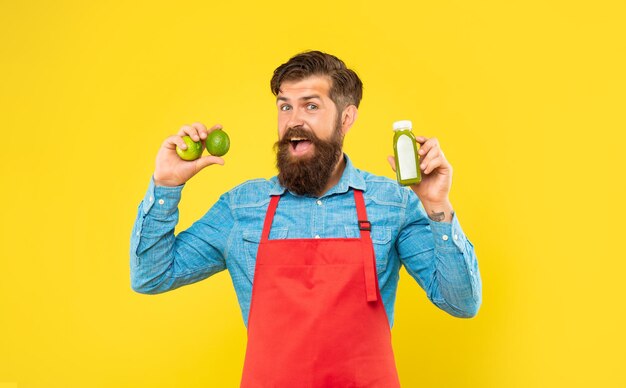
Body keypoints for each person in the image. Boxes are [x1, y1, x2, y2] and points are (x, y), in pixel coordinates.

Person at [130, 50, 482, 387]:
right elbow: (151, 275)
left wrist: (438, 205)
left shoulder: (392, 204)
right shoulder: (242, 208)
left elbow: (461, 302)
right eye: (285, 106)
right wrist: (165, 186)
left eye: (310, 106)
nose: (293, 120)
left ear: (347, 118)